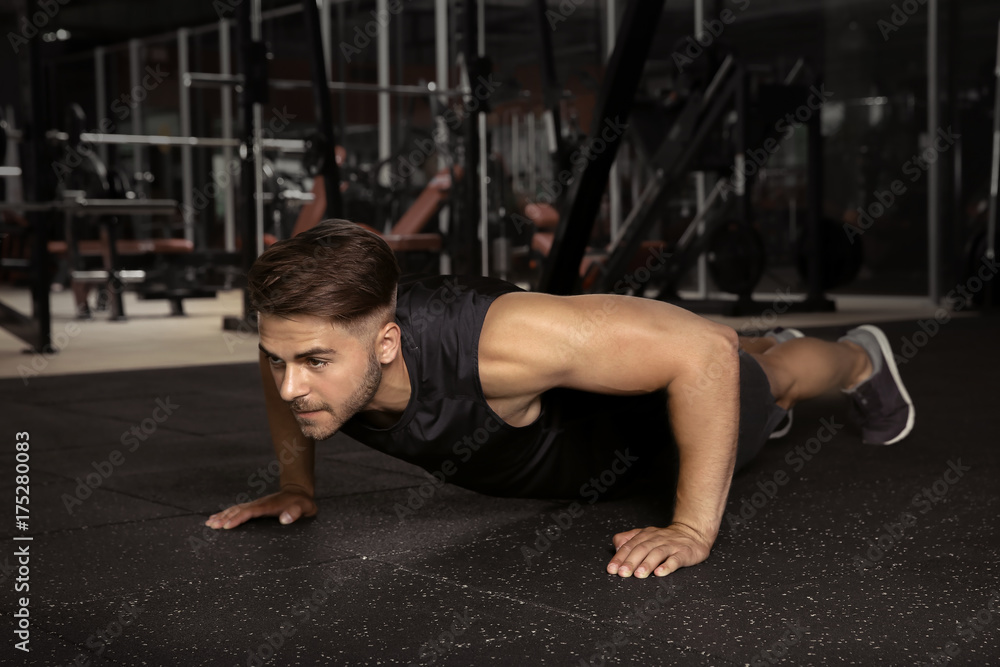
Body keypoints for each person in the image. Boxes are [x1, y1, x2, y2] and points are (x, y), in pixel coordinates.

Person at [205, 220, 915, 579]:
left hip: (654, 434)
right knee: (720, 349)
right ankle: (758, 350)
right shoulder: (317, 358)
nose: (291, 384)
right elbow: (286, 372)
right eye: (278, 359)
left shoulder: (492, 341)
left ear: (388, 342)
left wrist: (692, 529)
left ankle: (858, 357)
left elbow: (701, 356)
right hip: (596, 428)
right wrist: (296, 481)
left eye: (313, 361)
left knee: (761, 375)